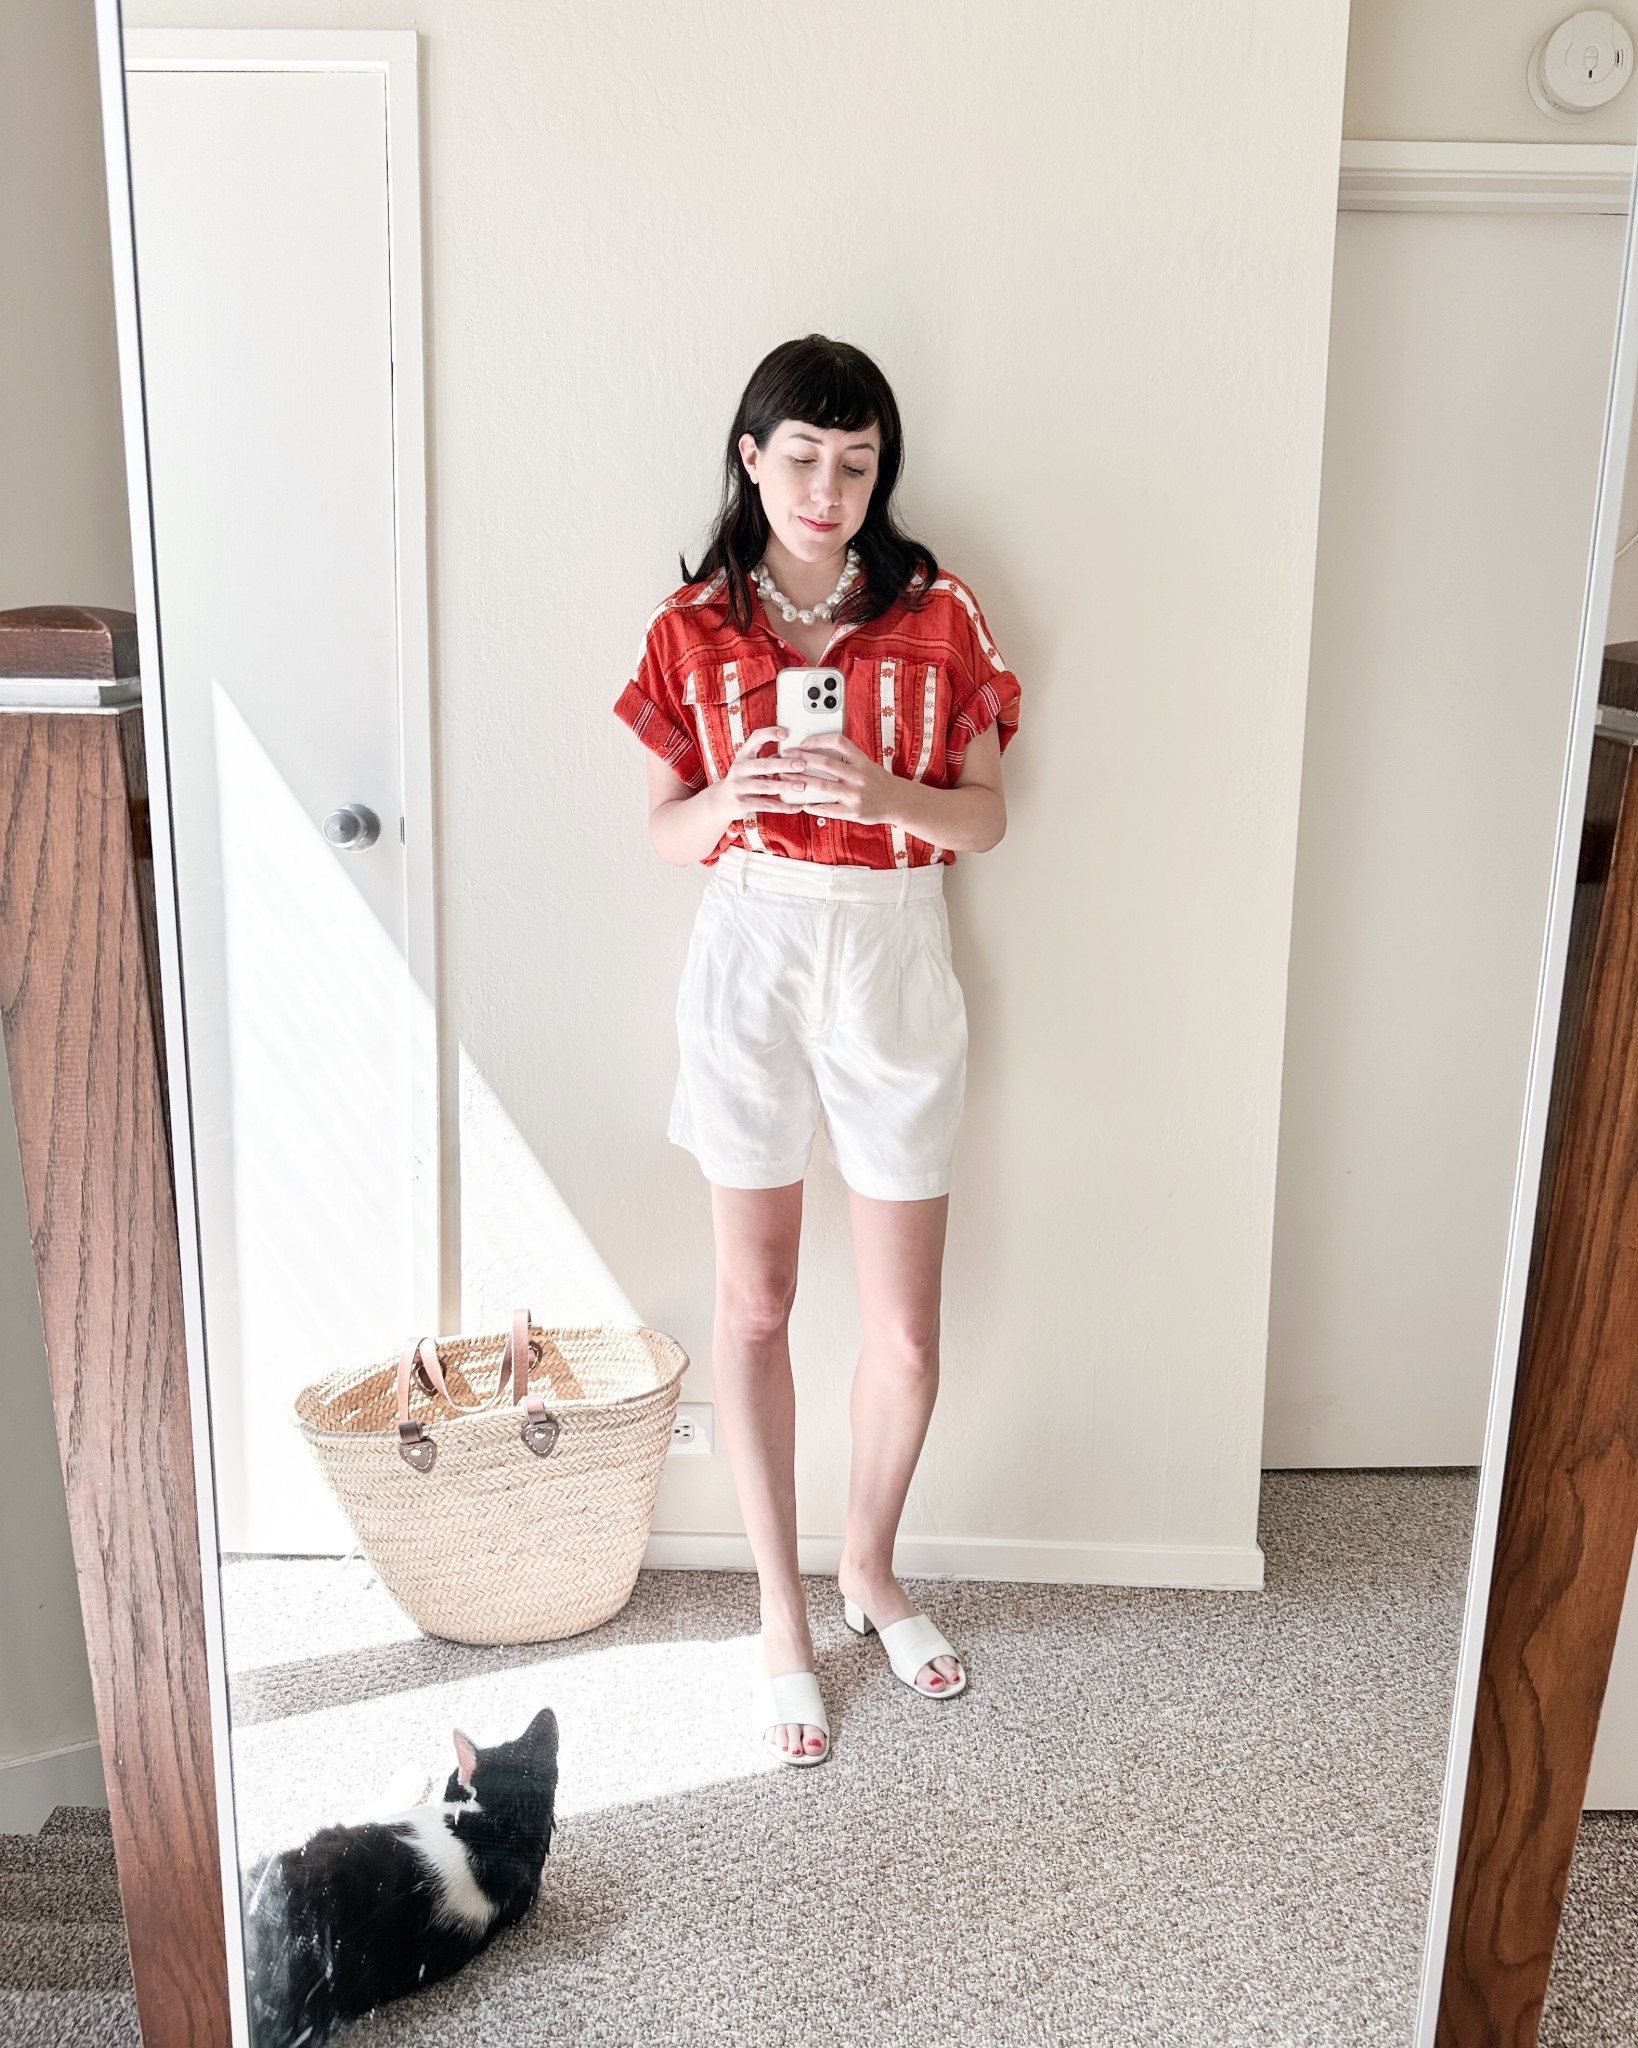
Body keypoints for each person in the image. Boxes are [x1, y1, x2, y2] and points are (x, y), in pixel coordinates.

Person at [614, 334, 1020, 1767]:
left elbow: (985, 819)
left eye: (856, 463)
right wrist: (732, 792)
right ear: (750, 456)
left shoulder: (936, 609)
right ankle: (779, 1608)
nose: (829, 487)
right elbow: (664, 835)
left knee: (907, 1326)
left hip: (895, 941)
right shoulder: (692, 627)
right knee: (759, 1302)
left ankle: (870, 1569)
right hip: (750, 946)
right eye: (803, 458)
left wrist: (887, 789)